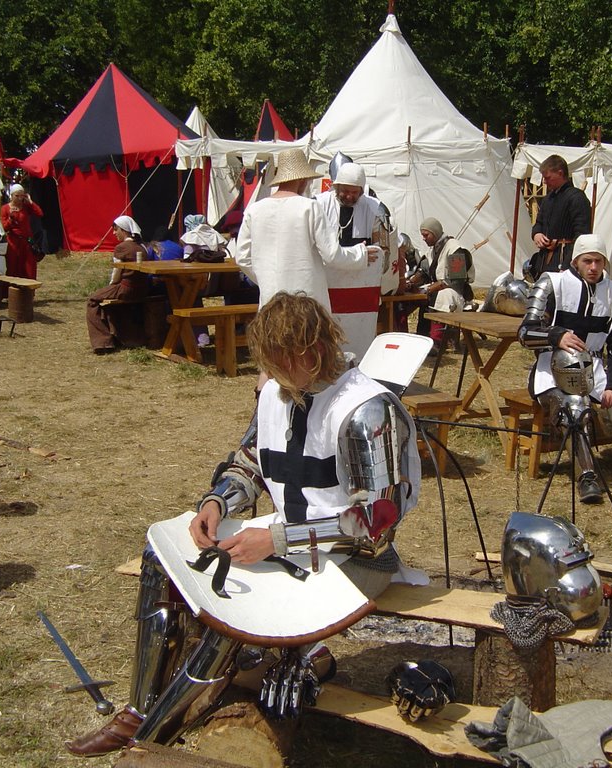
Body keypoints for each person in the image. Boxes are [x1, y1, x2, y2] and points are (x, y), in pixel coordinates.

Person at [65, 292, 421, 756]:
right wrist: (216, 502)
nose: (270, 373)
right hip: (288, 538)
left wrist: (276, 539)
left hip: (352, 562)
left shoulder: (368, 410)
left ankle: (151, 741)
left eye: (279, 360)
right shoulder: (280, 390)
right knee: (163, 560)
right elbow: (250, 462)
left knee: (226, 614)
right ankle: (139, 706)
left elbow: (378, 522)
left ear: (312, 352)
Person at [518, 234, 612, 503]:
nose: (593, 267)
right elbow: (524, 332)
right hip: (552, 368)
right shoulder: (551, 283)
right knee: (574, 405)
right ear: (576, 261)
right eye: (587, 260)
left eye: (598, 261)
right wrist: (556, 336)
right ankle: (587, 476)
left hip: (595, 369)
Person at [235, 148, 379, 313]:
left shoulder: (254, 210)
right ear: (302, 179)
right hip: (306, 304)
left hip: (270, 301)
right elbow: (332, 255)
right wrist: (361, 254)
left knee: (274, 338)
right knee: (307, 338)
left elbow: (242, 258)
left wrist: (267, 279)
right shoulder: (310, 208)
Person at [316, 161, 391, 360]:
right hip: (325, 287)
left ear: (361, 190)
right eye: (345, 191)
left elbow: (382, 253)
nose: (349, 196)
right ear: (336, 187)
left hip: (361, 291)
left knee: (359, 340)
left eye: (354, 192)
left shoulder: (376, 209)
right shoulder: (317, 205)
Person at [85, 216, 150, 353]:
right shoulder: (143, 247)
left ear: (124, 230)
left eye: (116, 230)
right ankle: (120, 336)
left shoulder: (121, 248)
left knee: (92, 300)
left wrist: (110, 286)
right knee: (109, 302)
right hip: (143, 288)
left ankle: (103, 342)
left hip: (126, 288)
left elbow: (117, 273)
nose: (114, 233)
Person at [526, 155, 591, 280]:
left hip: (565, 259)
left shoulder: (576, 197)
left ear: (560, 173)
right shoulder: (548, 199)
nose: (544, 182)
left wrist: (568, 265)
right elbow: (538, 223)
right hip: (545, 260)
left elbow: (582, 235)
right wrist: (537, 234)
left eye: (547, 177)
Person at [417, 217, 475, 353]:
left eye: (426, 235)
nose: (424, 239)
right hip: (440, 288)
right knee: (421, 297)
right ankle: (423, 338)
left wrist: (433, 288)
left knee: (442, 296)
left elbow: (456, 279)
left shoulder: (455, 249)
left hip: (456, 292)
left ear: (435, 233)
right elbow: (425, 271)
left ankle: (437, 341)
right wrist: (412, 281)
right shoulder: (433, 250)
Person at [0, 184, 43, 279]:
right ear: (11, 196)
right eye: (17, 196)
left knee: (29, 269)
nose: (19, 198)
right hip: (13, 242)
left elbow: (39, 213)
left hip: (26, 242)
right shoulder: (5, 208)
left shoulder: (26, 207)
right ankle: (11, 292)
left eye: (21, 196)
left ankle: (27, 292)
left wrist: (30, 202)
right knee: (12, 268)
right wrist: (11, 219)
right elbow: (4, 228)